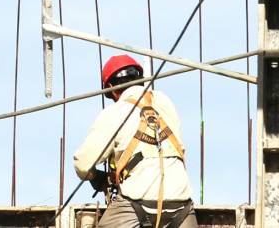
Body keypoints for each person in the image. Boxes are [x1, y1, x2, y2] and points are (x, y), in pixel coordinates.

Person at [72, 55, 195, 228]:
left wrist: (96, 178)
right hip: (181, 204)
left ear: (112, 88)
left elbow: (83, 164)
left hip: (137, 202)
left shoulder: (115, 111)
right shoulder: (165, 102)